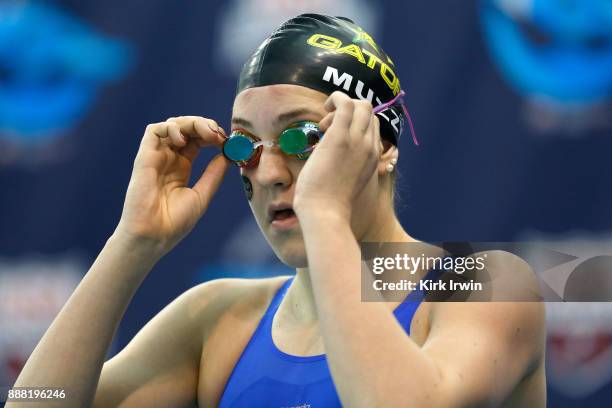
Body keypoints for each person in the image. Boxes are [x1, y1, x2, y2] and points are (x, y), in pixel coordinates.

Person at [9, 14, 546, 408]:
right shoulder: (220, 319)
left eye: (302, 135)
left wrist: (326, 216)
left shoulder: (485, 284)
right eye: (245, 144)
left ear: (382, 145)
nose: (268, 172)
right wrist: (131, 243)